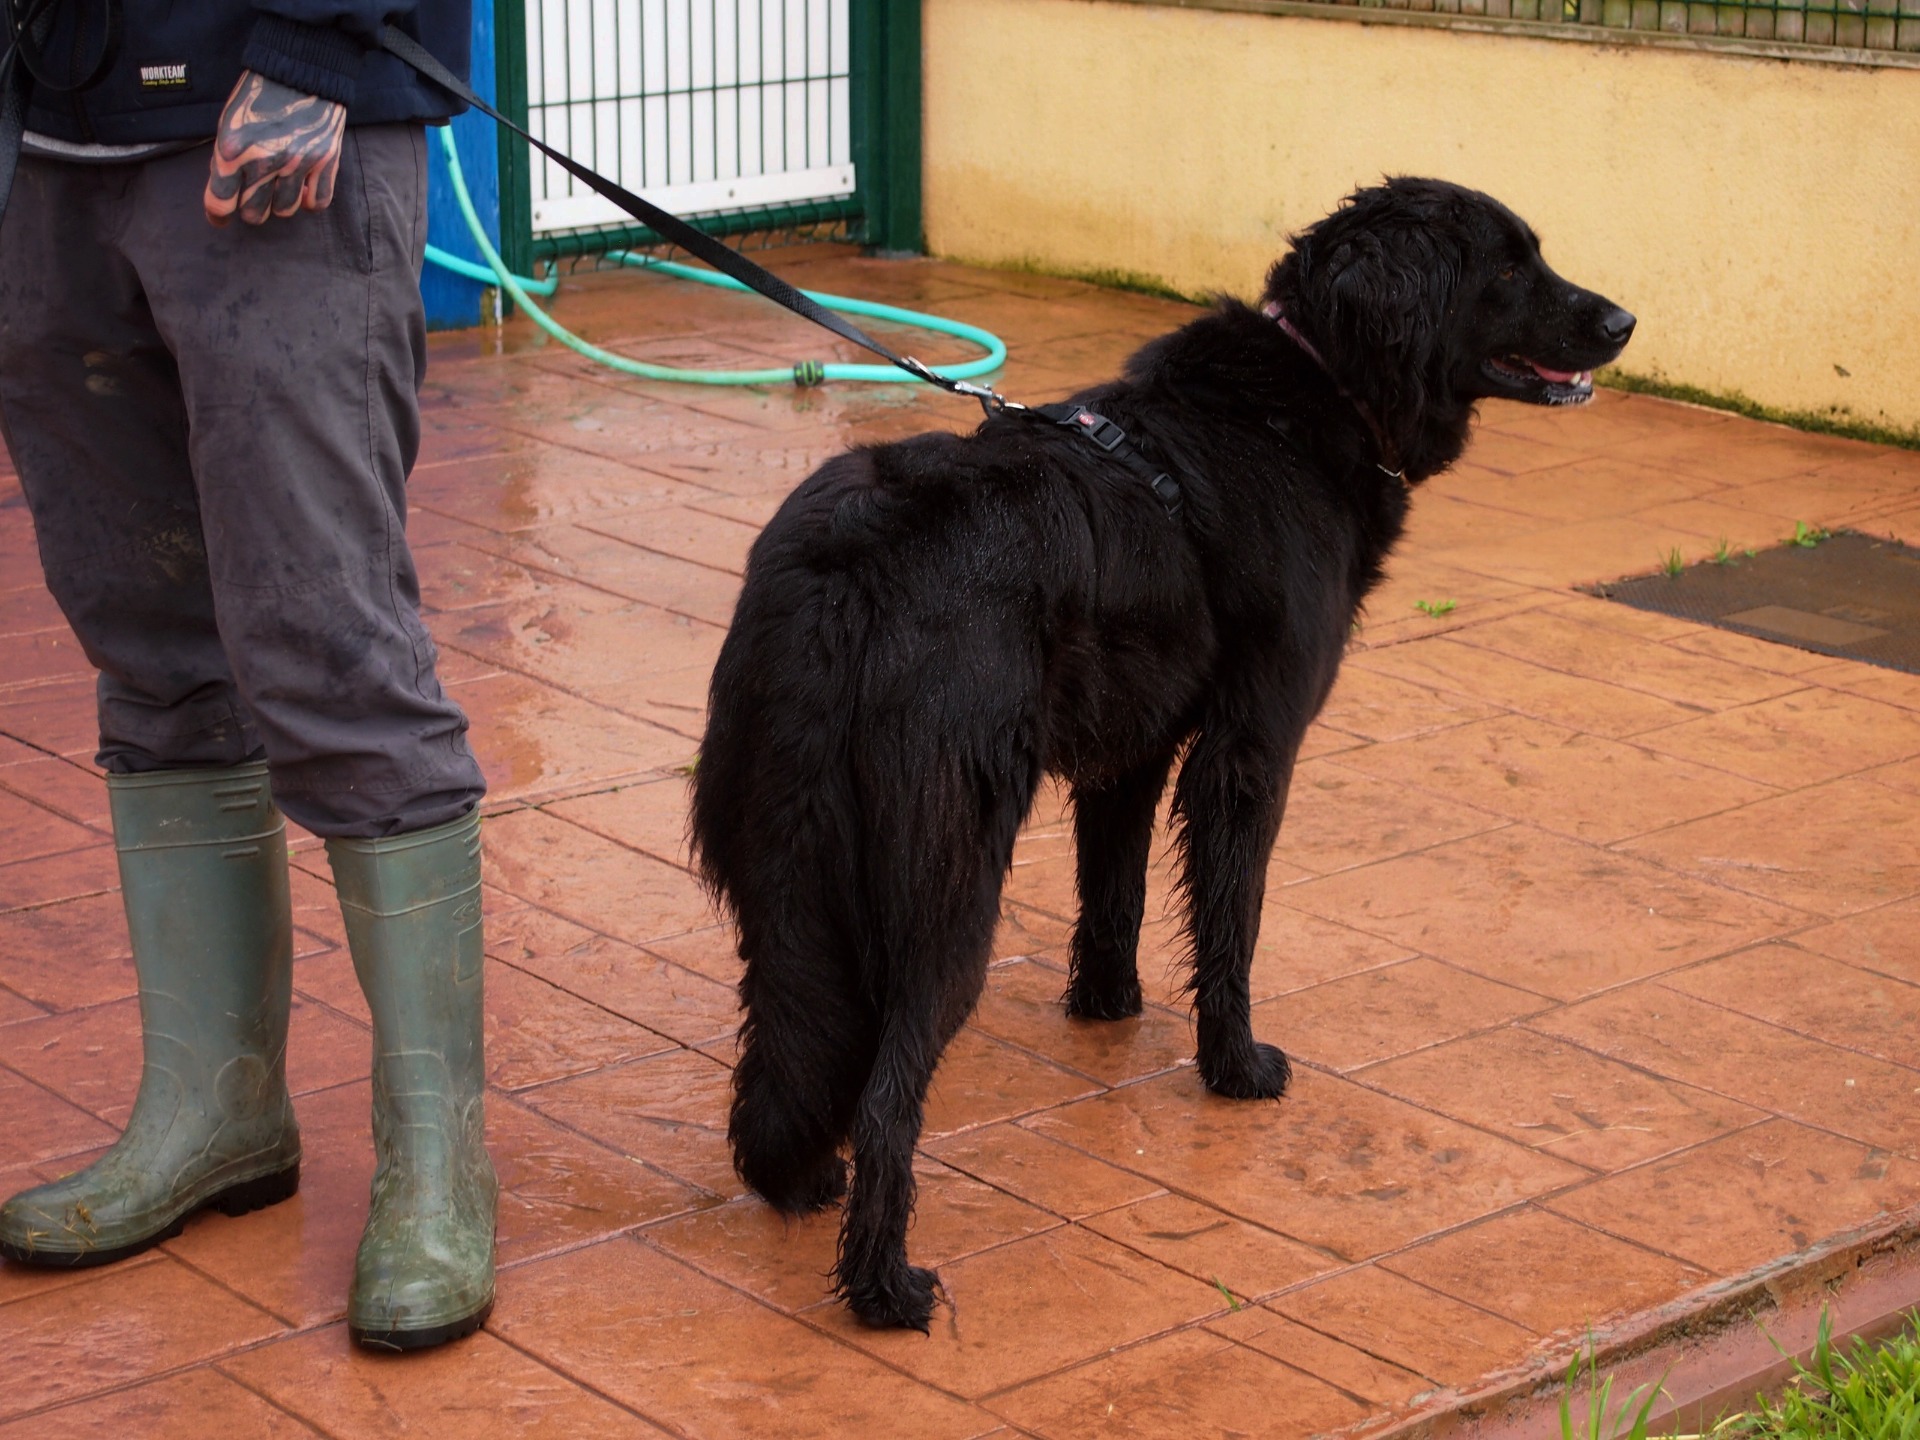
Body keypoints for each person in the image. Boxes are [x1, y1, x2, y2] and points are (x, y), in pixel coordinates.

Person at [0, 0, 496, 1352]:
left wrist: (318, 48)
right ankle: (214, 1107)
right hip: (50, 130)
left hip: (274, 114)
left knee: (332, 645)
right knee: (146, 639)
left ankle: (442, 1170)